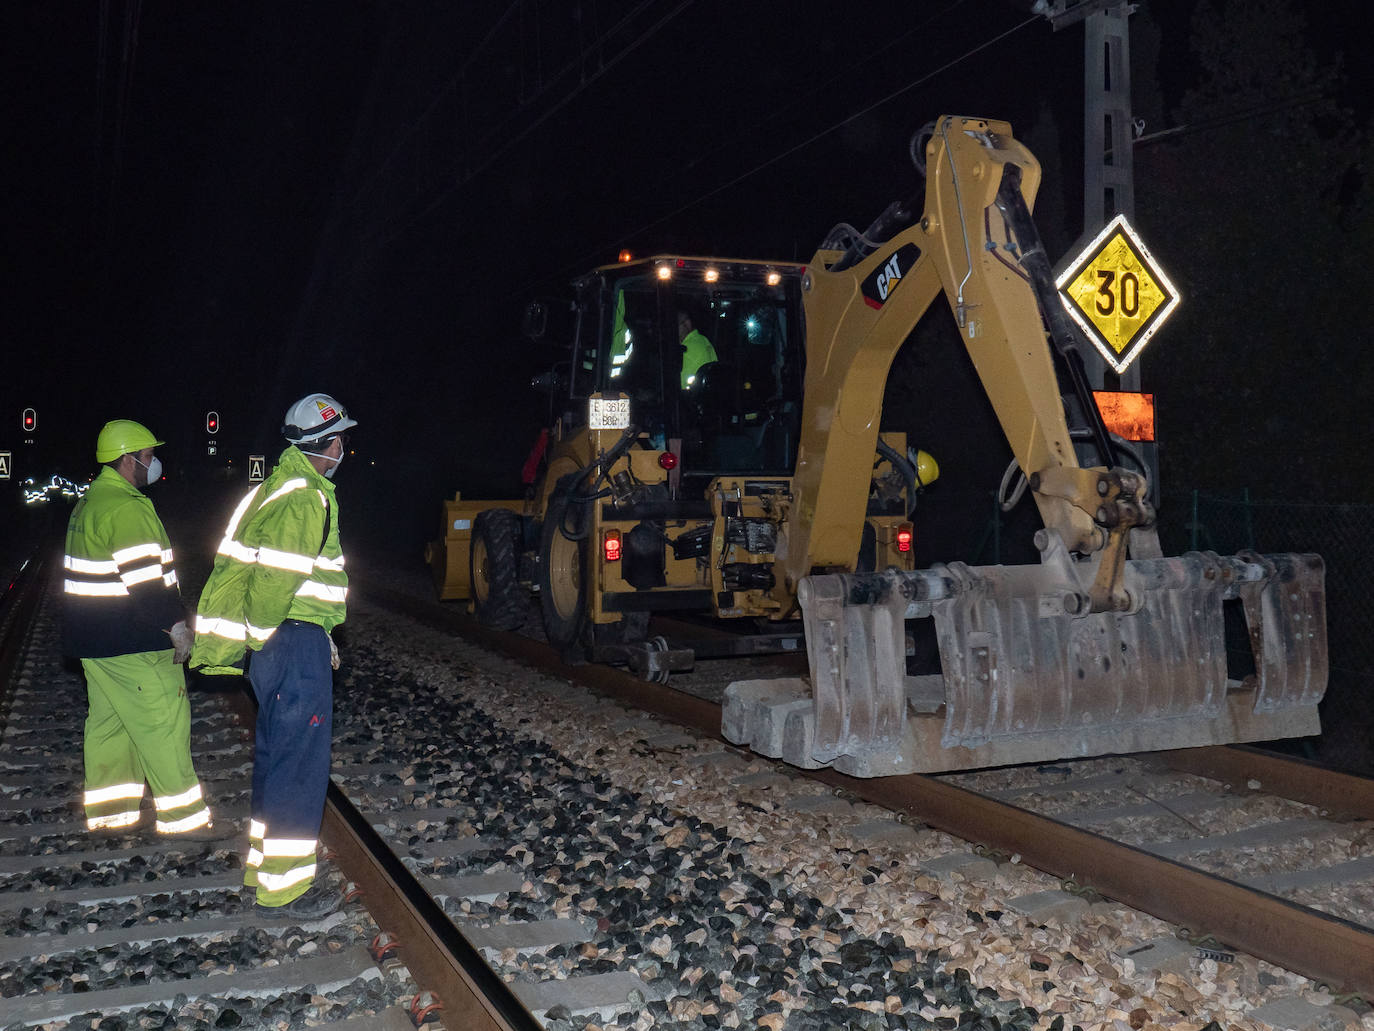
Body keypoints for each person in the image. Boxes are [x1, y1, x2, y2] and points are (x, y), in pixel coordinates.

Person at [190, 392, 355, 918]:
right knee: (299, 767)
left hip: (279, 644)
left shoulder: (275, 488)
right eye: (341, 439)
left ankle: (264, 873)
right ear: (326, 444)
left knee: (275, 759)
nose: (344, 447)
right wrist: (268, 637)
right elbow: (274, 582)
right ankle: (285, 892)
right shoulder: (306, 496)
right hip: (291, 641)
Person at [62, 420, 217, 839]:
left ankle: (112, 816)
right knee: (162, 723)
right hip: (133, 641)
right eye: (148, 457)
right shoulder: (127, 507)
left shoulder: (89, 504)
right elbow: (147, 583)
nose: (153, 463)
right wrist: (177, 627)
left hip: (94, 643)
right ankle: (184, 822)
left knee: (111, 726)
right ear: (129, 460)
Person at [678, 310, 717, 389]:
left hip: (692, 396)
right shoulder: (703, 340)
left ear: (684, 325)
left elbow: (678, 385)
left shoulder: (685, 348)